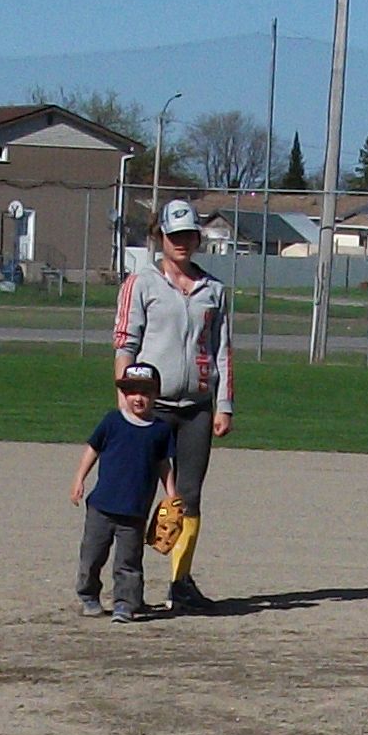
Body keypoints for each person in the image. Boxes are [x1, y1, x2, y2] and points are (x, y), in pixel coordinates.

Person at [112, 200, 235, 611]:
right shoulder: (141, 283)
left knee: (188, 496)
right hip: (152, 406)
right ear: (160, 237)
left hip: (197, 407)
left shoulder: (213, 291)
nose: (182, 243)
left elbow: (222, 352)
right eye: (174, 235)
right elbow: (125, 344)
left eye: (189, 236)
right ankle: (129, 587)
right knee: (139, 495)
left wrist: (223, 404)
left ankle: (180, 582)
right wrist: (125, 402)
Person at [72, 361, 178, 623]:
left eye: (145, 392)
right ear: (124, 394)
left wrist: (172, 495)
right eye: (132, 392)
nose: (138, 398)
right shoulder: (113, 421)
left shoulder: (160, 430)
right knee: (92, 555)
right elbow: (92, 449)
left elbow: (164, 464)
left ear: (156, 395)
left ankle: (125, 604)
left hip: (135, 510)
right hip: (101, 506)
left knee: (129, 562)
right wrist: (79, 479)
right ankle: (89, 595)